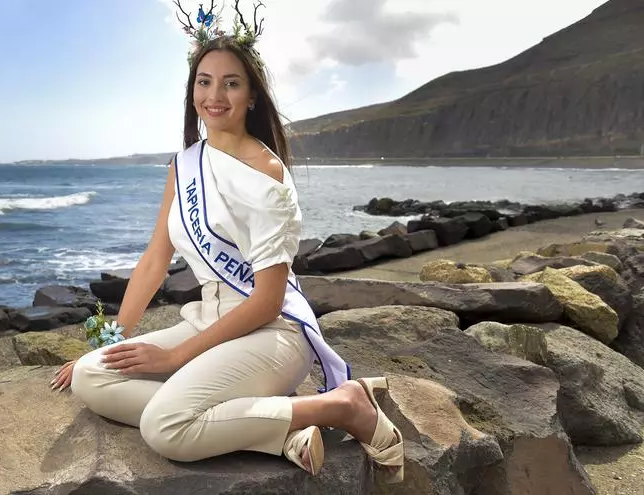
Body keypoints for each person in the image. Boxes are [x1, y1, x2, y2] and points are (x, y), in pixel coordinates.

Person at [50, 1, 404, 483]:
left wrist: (175, 358)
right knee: (92, 375)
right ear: (192, 89)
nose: (215, 95)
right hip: (209, 321)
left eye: (231, 83)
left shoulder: (267, 174)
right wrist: (110, 341)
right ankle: (276, 428)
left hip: (270, 333)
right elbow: (155, 260)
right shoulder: (185, 165)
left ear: (252, 96)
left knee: (165, 428)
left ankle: (343, 405)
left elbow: (268, 299)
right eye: (204, 81)